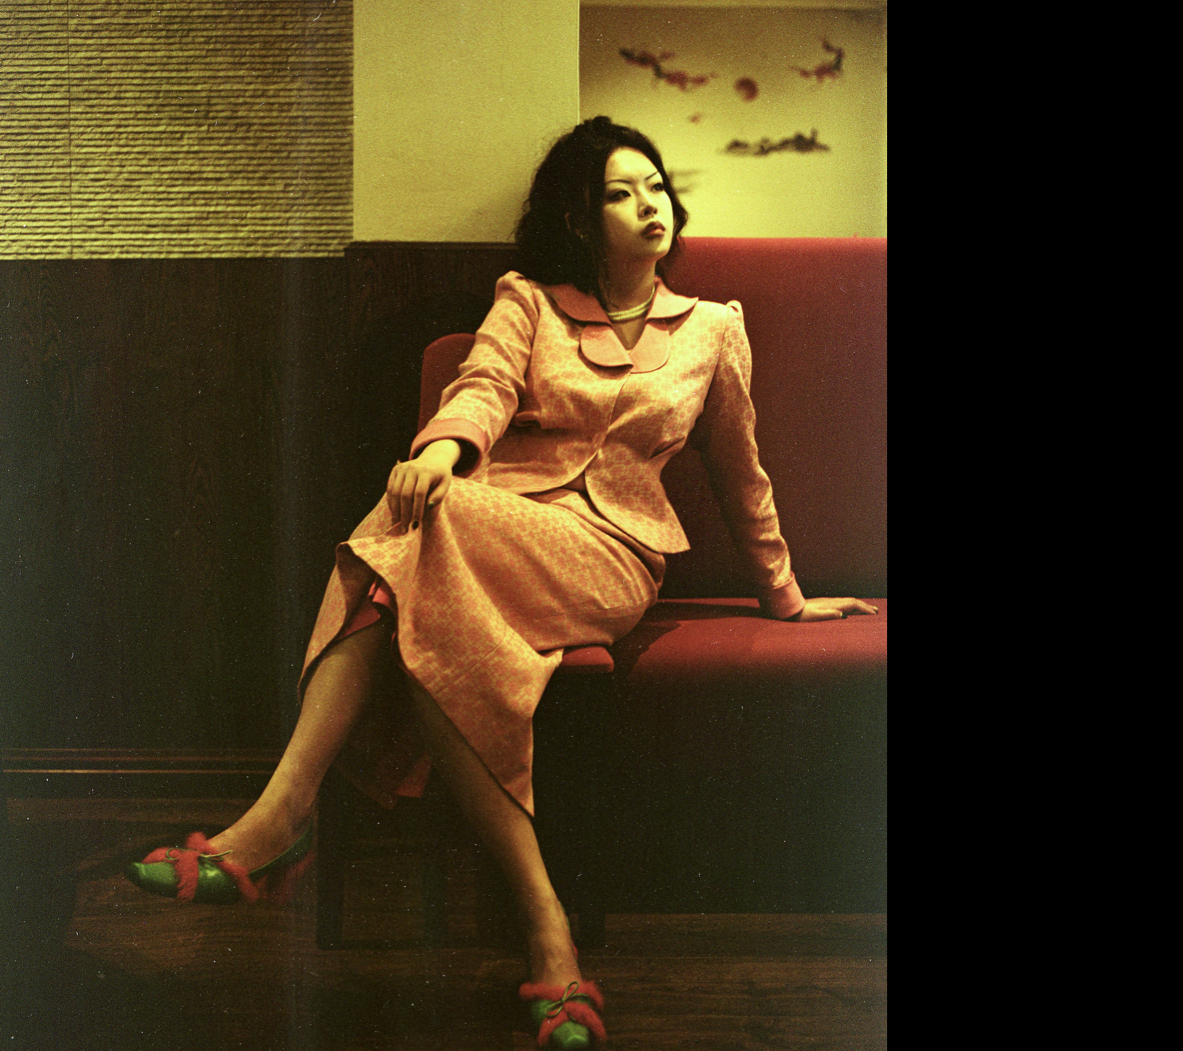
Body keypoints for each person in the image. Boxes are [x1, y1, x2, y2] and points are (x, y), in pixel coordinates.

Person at [125, 116, 878, 1050]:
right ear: (578, 217)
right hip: (490, 527)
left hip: (611, 554)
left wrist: (787, 595)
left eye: (656, 186)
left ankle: (282, 816)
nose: (650, 205)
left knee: (406, 534)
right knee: (423, 559)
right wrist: (442, 452)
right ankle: (546, 931)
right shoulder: (528, 301)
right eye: (620, 193)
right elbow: (480, 387)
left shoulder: (713, 331)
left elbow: (739, 470)